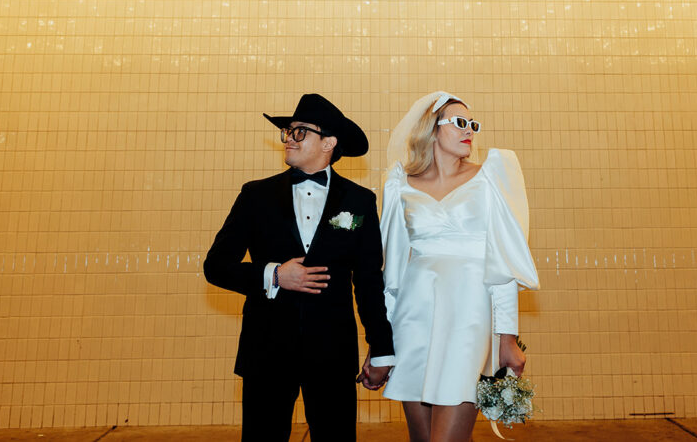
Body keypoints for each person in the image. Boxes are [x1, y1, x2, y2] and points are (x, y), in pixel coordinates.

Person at [204, 93, 395, 442]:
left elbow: (369, 280)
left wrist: (382, 348)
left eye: (299, 132)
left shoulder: (359, 201)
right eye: (288, 132)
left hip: (332, 354)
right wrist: (274, 274)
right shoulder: (255, 195)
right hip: (266, 352)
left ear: (329, 142)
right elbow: (215, 266)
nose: (289, 139)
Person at [368, 91, 540, 442]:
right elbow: (392, 275)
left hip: (469, 320)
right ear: (431, 130)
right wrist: (380, 344)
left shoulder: (492, 175)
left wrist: (507, 338)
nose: (470, 131)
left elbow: (504, 260)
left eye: (472, 124)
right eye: (459, 123)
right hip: (412, 322)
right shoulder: (399, 184)